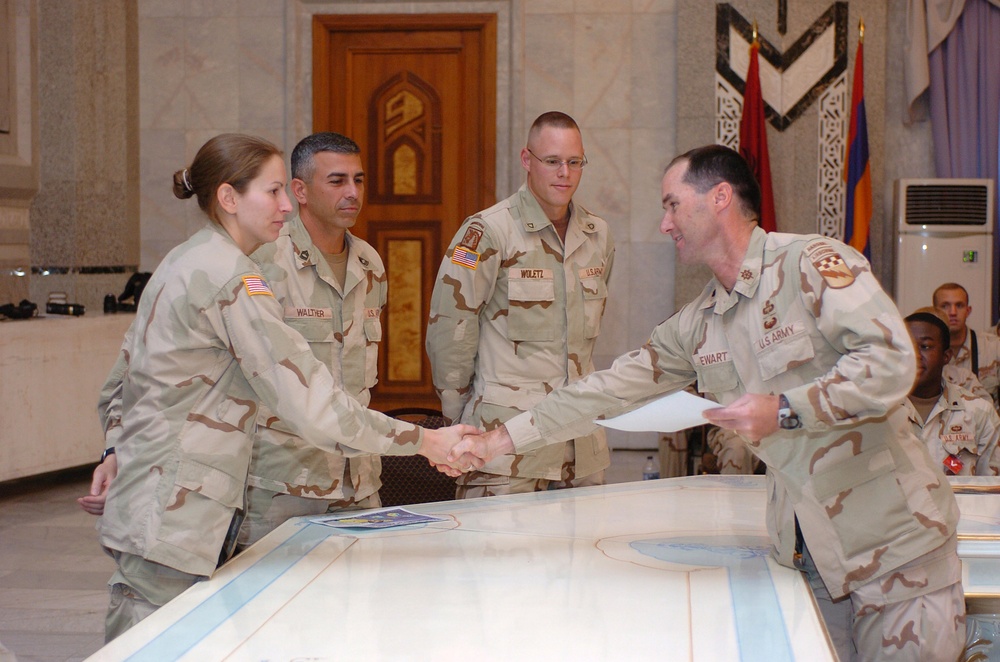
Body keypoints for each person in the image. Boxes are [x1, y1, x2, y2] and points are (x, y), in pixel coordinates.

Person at [452, 145, 965, 661]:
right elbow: (604, 390)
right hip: (811, 562)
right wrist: (500, 438)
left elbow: (892, 358)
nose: (664, 223)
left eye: (673, 204)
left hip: (900, 555)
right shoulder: (699, 322)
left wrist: (784, 408)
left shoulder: (808, 264)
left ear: (720, 197)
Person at [91, 134, 479, 641]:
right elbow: (308, 399)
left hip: (191, 503)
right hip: (181, 510)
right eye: (273, 192)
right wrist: (427, 441)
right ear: (229, 198)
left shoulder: (197, 259)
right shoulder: (233, 275)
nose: (283, 206)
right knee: (162, 643)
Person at [80, 132, 401, 551]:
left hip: (358, 482)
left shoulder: (369, 264)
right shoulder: (254, 259)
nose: (352, 193)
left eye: (358, 180)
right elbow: (132, 369)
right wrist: (113, 449)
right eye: (337, 181)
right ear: (299, 190)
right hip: (276, 488)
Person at [426, 111, 614, 498]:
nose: (564, 172)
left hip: (581, 448)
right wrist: (462, 415)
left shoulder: (598, 235)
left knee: (583, 558)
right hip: (504, 450)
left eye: (574, 162)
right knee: (497, 559)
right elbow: (450, 330)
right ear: (527, 160)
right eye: (552, 161)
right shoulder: (488, 231)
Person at [903, 308, 1000, 476]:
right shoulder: (879, 412)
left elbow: (993, 488)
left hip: (963, 503)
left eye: (925, 346)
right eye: (906, 347)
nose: (915, 355)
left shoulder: (978, 413)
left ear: (946, 356)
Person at [933, 282, 1000, 409]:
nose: (952, 312)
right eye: (945, 306)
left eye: (959, 305)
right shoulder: (925, 352)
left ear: (968, 310)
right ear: (935, 311)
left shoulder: (994, 347)